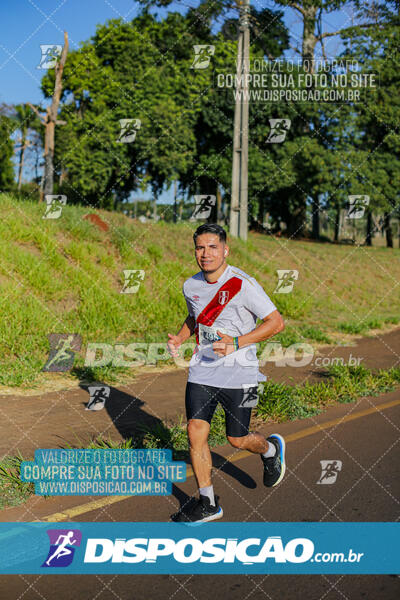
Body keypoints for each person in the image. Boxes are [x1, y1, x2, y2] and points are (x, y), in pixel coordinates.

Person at [167, 223, 286, 523]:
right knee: (195, 432)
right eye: (200, 247)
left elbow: (275, 322)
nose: (205, 254)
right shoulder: (190, 285)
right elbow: (195, 317)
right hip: (203, 368)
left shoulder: (243, 284)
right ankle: (207, 503)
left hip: (241, 371)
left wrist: (236, 343)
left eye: (212, 247)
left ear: (225, 249)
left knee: (237, 439)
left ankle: (270, 449)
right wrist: (181, 338)